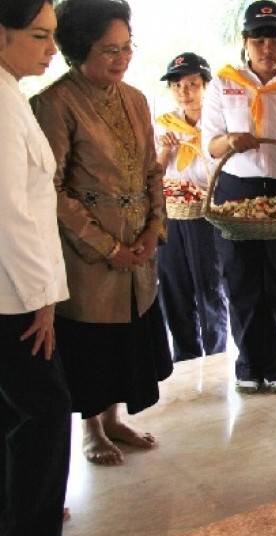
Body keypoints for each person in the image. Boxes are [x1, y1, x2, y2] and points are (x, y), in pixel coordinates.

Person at [30, 0, 173, 466]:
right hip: (87, 253)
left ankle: (113, 420)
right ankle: (92, 430)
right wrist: (106, 246)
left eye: (127, 48)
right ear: (77, 49)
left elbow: (153, 170)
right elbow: (49, 188)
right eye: (108, 50)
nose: (121, 59)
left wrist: (155, 228)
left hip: (138, 248)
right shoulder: (53, 103)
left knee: (127, 339)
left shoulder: (135, 98)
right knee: (93, 346)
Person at [202, 0, 276, 394]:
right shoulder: (223, 84)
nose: (266, 47)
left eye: (274, 39)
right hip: (238, 190)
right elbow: (210, 145)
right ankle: (249, 364)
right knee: (241, 279)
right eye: (258, 39)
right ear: (245, 41)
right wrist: (231, 141)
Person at [0, 2, 85, 536]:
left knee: (18, 408)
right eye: (39, 36)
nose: (51, 49)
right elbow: (12, 215)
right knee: (45, 408)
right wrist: (42, 303)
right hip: (14, 295)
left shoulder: (12, 93)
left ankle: (21, 508)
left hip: (17, 288)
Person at [155, 52, 228, 363]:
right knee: (173, 286)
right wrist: (165, 149)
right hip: (172, 212)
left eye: (192, 84)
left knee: (209, 286)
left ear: (206, 86)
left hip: (206, 213)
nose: (184, 92)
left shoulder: (218, 126)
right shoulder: (163, 125)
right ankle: (185, 354)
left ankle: (215, 357)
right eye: (177, 86)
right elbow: (154, 175)